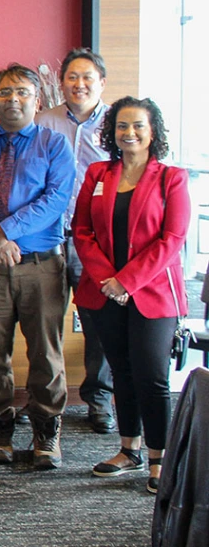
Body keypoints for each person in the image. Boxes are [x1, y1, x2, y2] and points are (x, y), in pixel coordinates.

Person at [0, 64, 74, 470]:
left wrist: (6, 231)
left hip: (41, 265)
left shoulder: (54, 145)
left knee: (46, 354)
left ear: (37, 100)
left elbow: (56, 199)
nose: (13, 99)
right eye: (4, 93)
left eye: (22, 92)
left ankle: (46, 432)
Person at [73, 97, 188, 494]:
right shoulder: (98, 173)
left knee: (152, 376)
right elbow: (82, 230)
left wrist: (128, 281)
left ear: (153, 130)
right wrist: (109, 279)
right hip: (105, 292)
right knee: (120, 371)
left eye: (138, 125)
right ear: (112, 132)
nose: (130, 133)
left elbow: (172, 239)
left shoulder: (171, 178)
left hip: (153, 293)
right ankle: (129, 449)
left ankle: (161, 458)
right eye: (122, 126)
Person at [34, 48, 116, 434]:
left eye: (87, 78)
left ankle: (99, 398)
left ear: (101, 82)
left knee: (99, 322)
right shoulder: (44, 122)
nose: (79, 84)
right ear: (61, 82)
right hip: (49, 237)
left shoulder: (119, 124)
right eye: (72, 77)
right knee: (44, 321)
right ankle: (45, 400)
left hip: (96, 241)